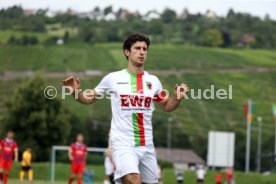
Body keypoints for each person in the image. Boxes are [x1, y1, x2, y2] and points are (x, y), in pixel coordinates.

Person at [63, 33, 189, 184]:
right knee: (133, 180)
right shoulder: (113, 79)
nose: (142, 52)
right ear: (127, 52)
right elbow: (89, 98)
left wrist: (177, 98)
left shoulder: (153, 81)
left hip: (147, 144)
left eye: (145, 49)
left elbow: (167, 105)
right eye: (137, 48)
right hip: (123, 143)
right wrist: (76, 92)